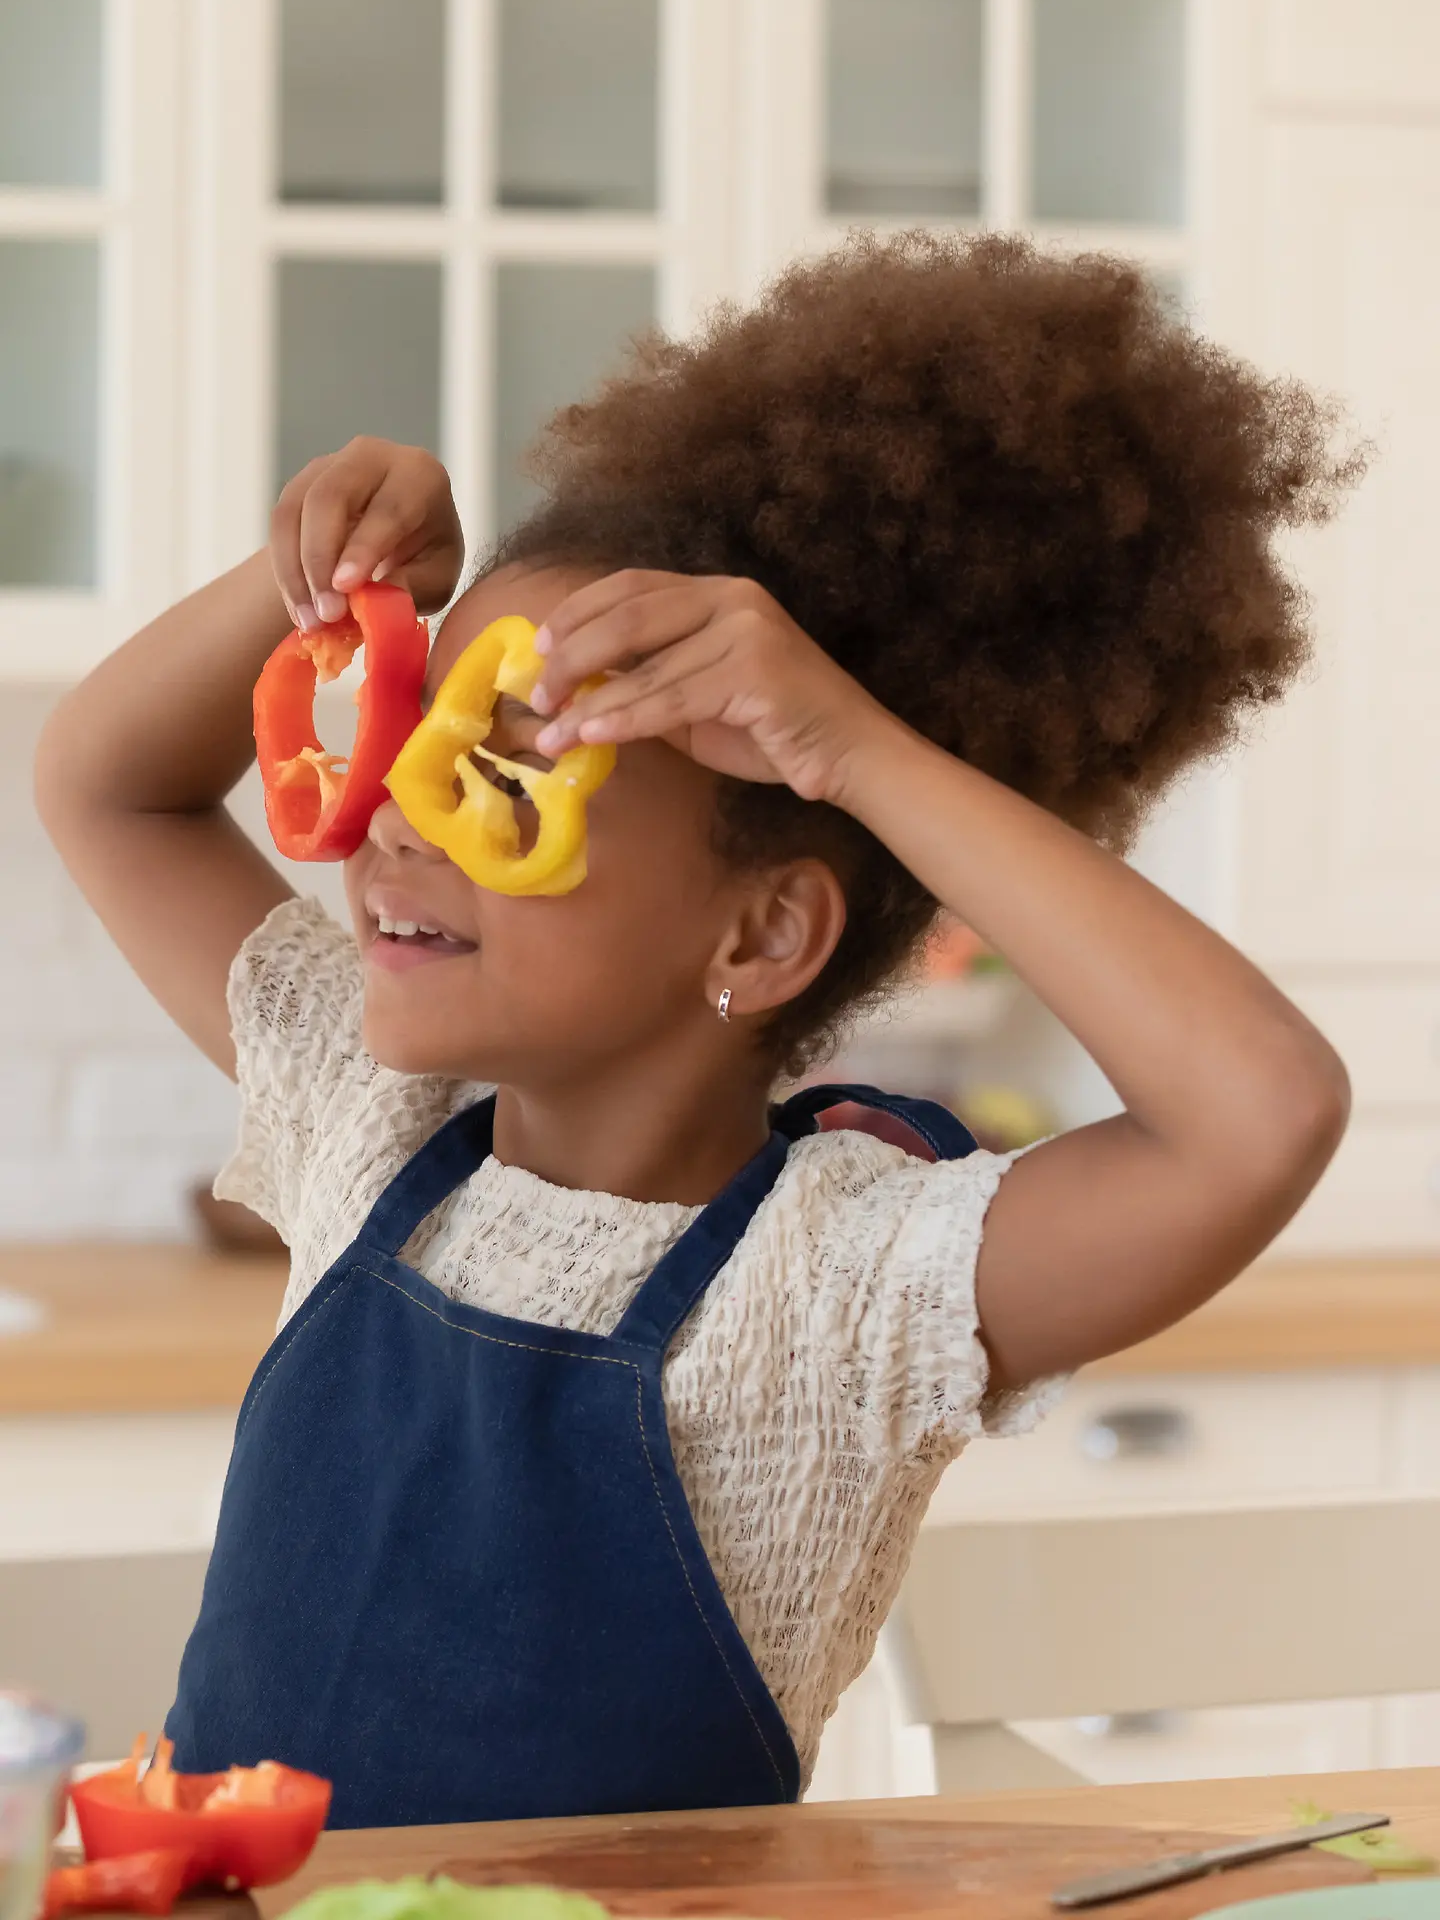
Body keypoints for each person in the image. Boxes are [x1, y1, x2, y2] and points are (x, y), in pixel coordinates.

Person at [37, 233, 1360, 1829]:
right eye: (405, 738)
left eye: (505, 774)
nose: (391, 815)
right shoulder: (368, 1123)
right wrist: (315, 586)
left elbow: (1262, 1110)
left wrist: (853, 749)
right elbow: (102, 780)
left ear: (762, 933)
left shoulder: (852, 1290)